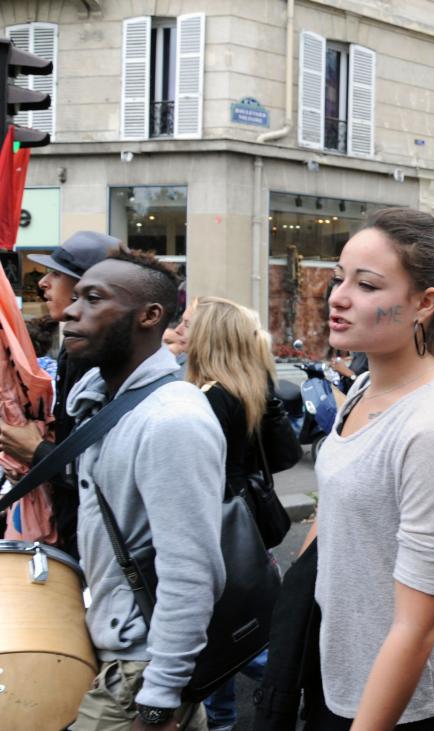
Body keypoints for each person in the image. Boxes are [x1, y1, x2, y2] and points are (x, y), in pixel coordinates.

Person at [308, 208, 434, 729]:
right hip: (349, 679)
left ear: (425, 303)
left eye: (366, 284)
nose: (339, 297)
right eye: (339, 277)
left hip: (418, 706)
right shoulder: (365, 387)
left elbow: (419, 627)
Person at [66, 251, 226, 731]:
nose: (71, 310)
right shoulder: (109, 405)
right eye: (75, 297)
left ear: (150, 315)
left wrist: (158, 701)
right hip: (112, 655)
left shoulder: (171, 419)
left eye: (93, 299)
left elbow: (190, 573)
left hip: (140, 673)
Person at [183, 296, 295, 731]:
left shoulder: (208, 396)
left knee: (224, 629)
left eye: (189, 323)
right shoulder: (249, 386)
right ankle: (285, 687)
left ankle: (278, 691)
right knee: (238, 618)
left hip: (218, 521)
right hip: (245, 519)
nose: (182, 330)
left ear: (207, 336)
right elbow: (285, 455)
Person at [0, 231, 124, 558]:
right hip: (77, 533)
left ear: (91, 290)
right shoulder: (74, 347)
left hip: (103, 549)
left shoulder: (106, 358)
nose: (43, 283)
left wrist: (36, 451)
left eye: (56, 274)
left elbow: (107, 472)